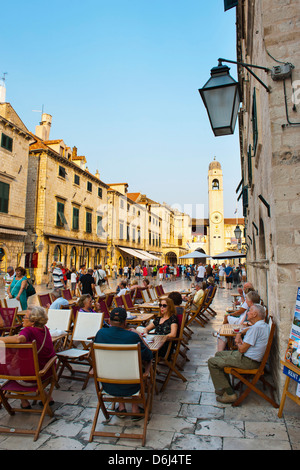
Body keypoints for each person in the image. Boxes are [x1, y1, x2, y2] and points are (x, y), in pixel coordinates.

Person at [94, 307, 153, 419]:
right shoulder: (132, 337)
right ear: (125, 322)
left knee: (114, 364)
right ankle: (135, 409)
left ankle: (121, 407)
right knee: (138, 365)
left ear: (109, 321)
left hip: (108, 384)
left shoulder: (100, 334)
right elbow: (148, 355)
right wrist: (140, 337)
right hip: (132, 385)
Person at [208, 304, 269, 403]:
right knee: (219, 354)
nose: (247, 312)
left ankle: (229, 394)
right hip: (248, 358)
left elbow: (241, 349)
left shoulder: (256, 329)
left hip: (248, 361)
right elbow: (248, 330)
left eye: (249, 311)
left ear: (254, 314)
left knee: (212, 362)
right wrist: (240, 333)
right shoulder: (262, 325)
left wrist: (238, 341)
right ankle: (225, 386)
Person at [0, 306, 56, 409]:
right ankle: (47, 397)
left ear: (33, 321)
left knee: (7, 368)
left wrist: (1, 339)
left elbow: (19, 339)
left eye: (25, 317)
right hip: (48, 372)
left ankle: (24, 401)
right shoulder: (45, 329)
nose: (22, 319)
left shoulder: (28, 331)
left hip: (32, 378)